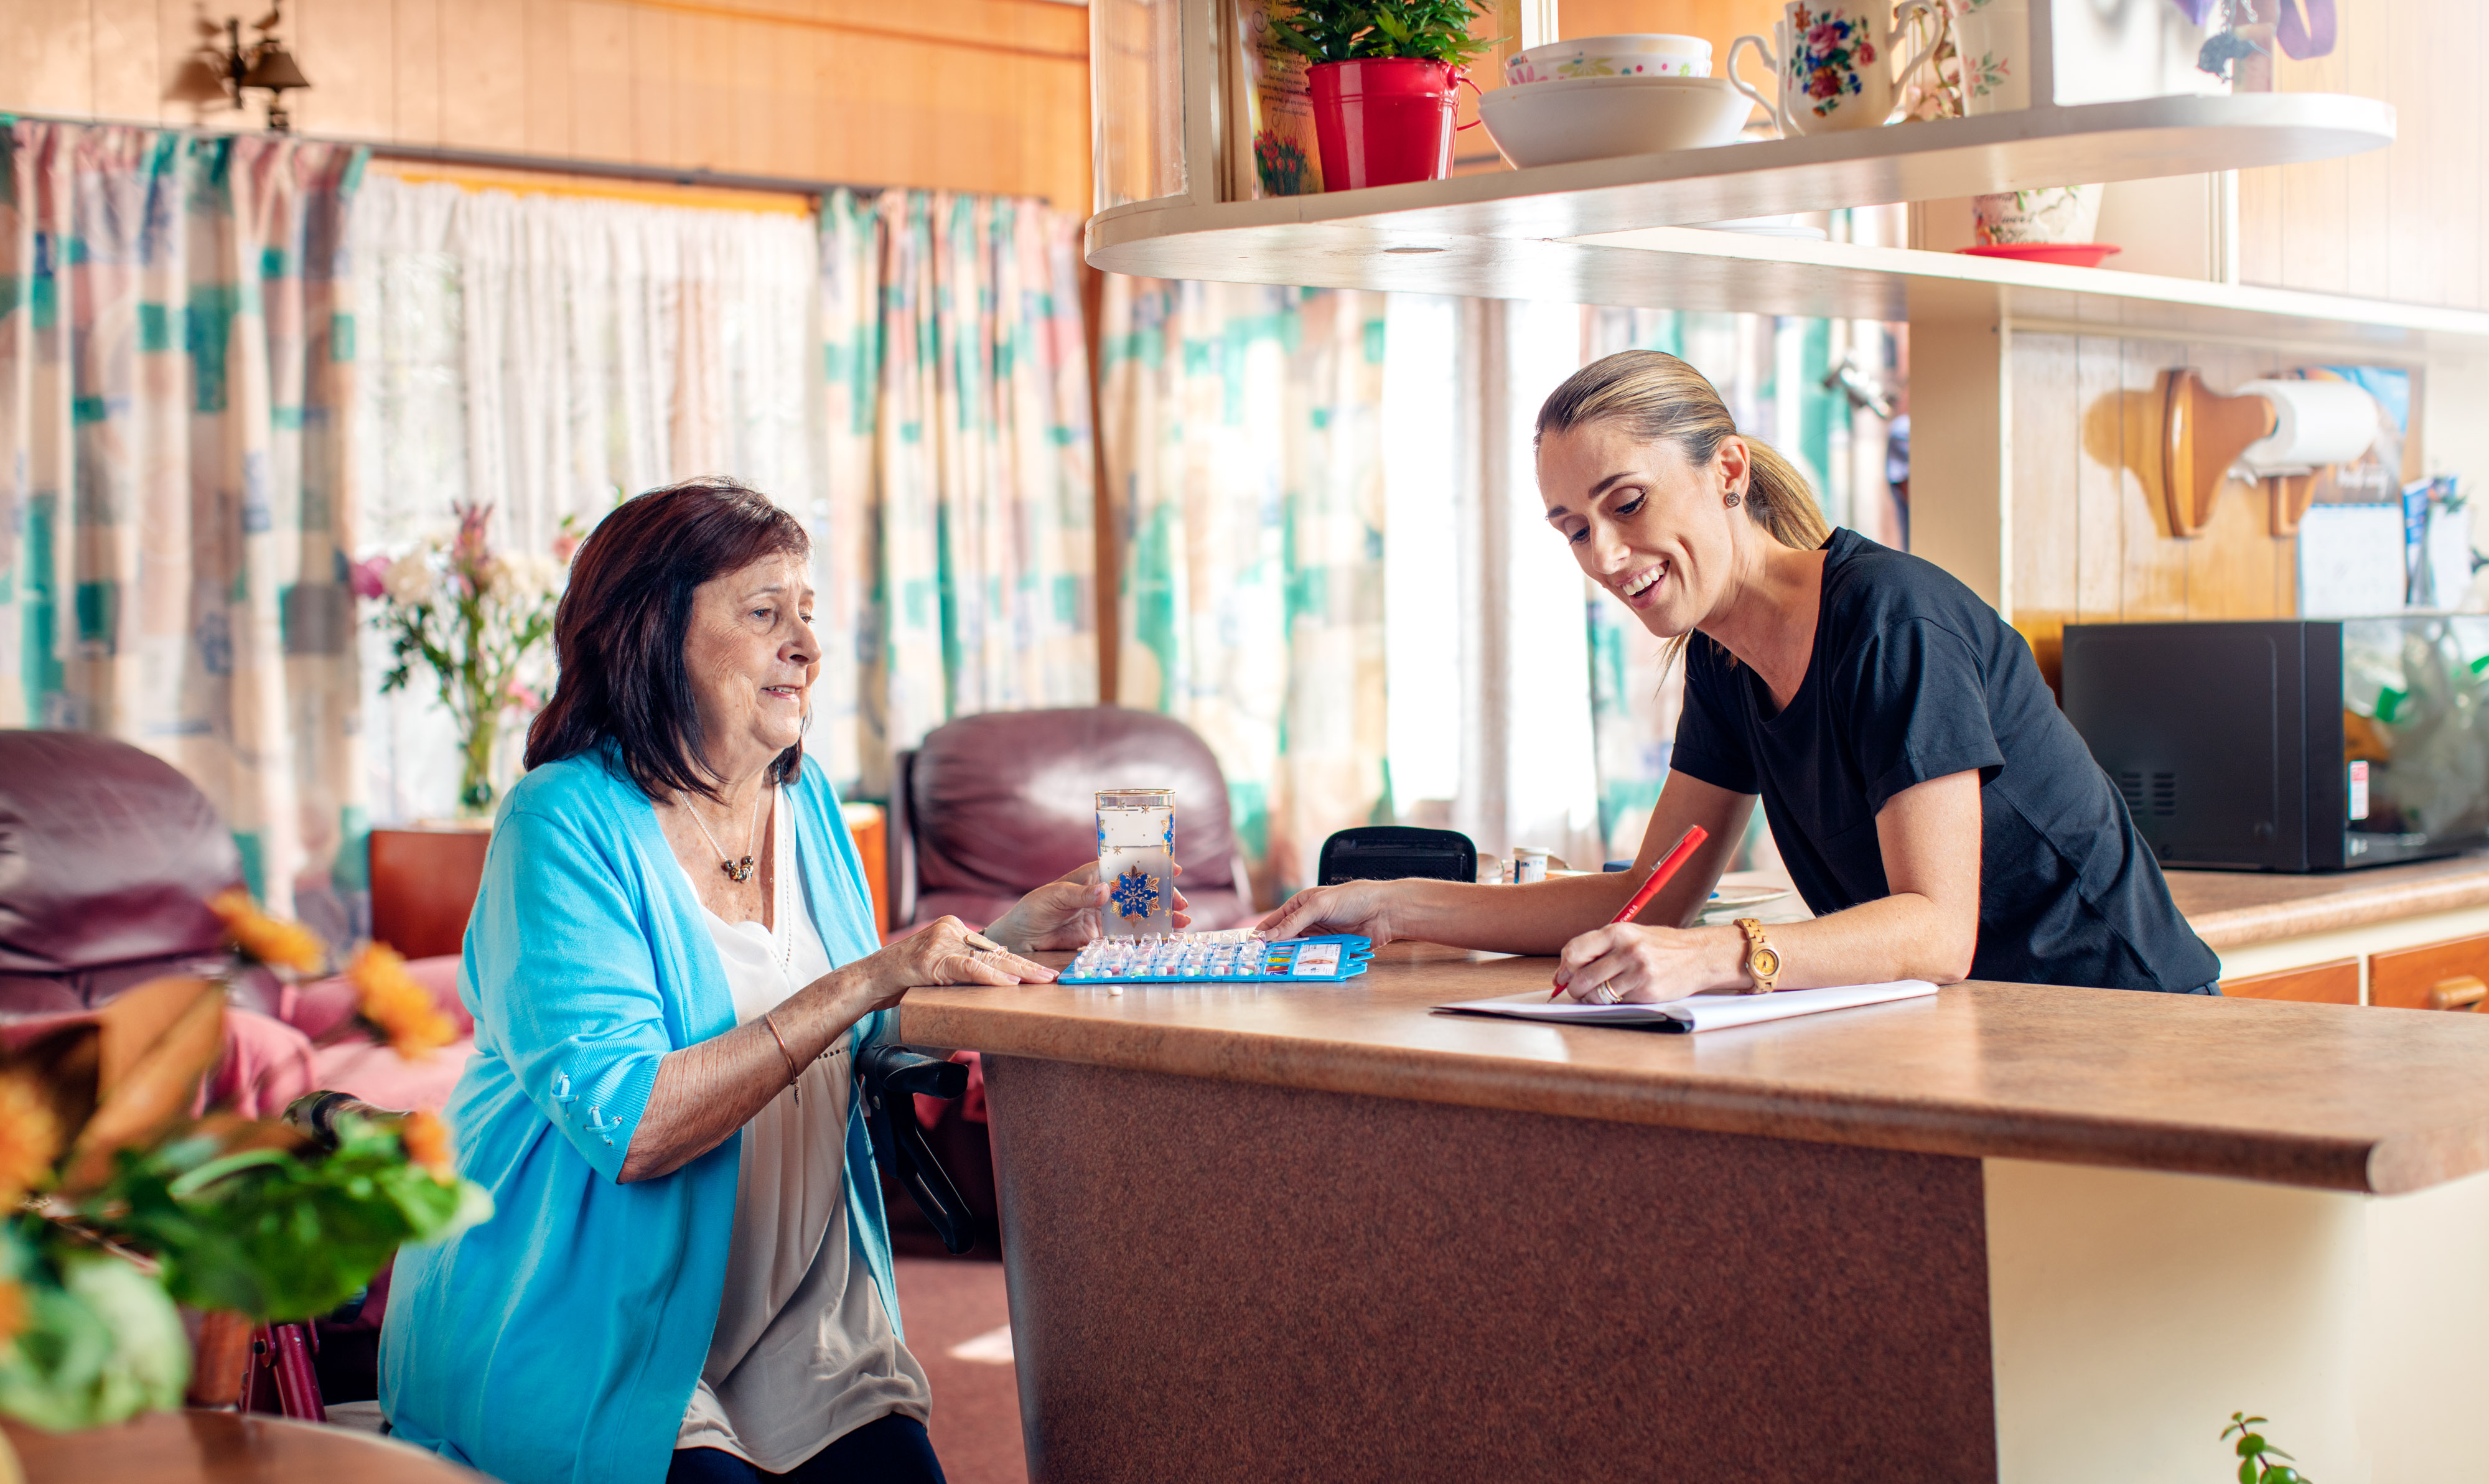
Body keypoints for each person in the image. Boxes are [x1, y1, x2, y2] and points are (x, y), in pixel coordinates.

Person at [381, 479, 1177, 1484]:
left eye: (807, 612)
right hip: (593, 1324)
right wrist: (879, 970)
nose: (804, 643)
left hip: (791, 1315)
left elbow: (854, 1043)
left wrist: (1003, 939)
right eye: (765, 613)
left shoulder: (805, 811)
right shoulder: (559, 825)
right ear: (651, 635)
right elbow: (633, 1125)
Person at [1261, 350, 2218, 1004]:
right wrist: (1388, 904)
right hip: (1998, 1029)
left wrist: (1709, 959)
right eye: (1574, 529)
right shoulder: (1723, 660)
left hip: (2128, 1019)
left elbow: (1937, 933)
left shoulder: (1892, 622)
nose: (1605, 554)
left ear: (1727, 469)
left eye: (1626, 503)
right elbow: (1650, 894)